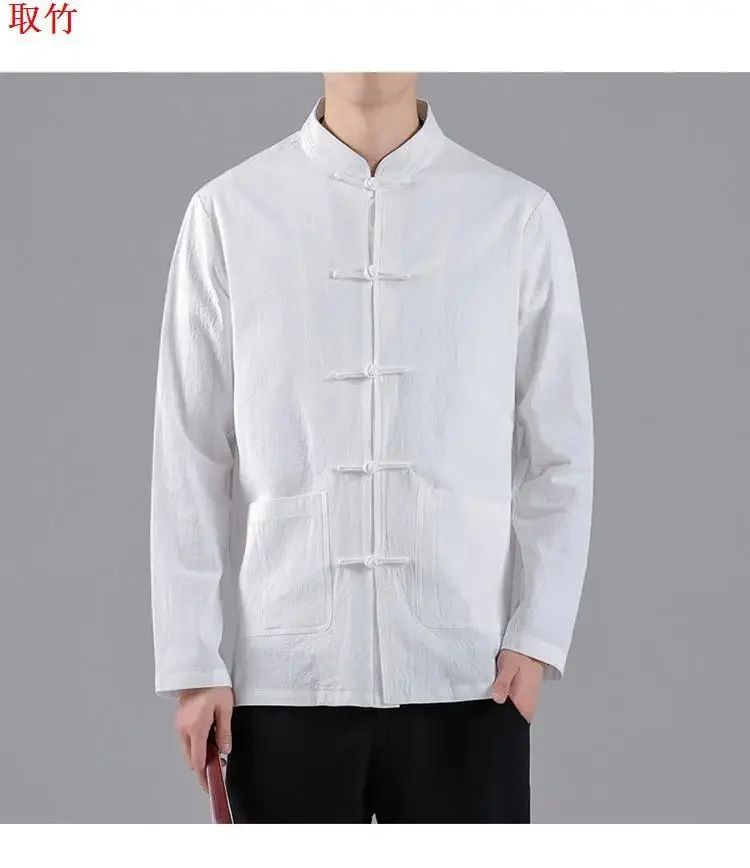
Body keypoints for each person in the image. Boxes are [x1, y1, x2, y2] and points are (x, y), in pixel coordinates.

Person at [149, 72, 594, 823]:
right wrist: (194, 664)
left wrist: (538, 634)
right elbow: (188, 457)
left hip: (469, 676)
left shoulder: (515, 216)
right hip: (287, 678)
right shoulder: (228, 213)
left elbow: (562, 449)